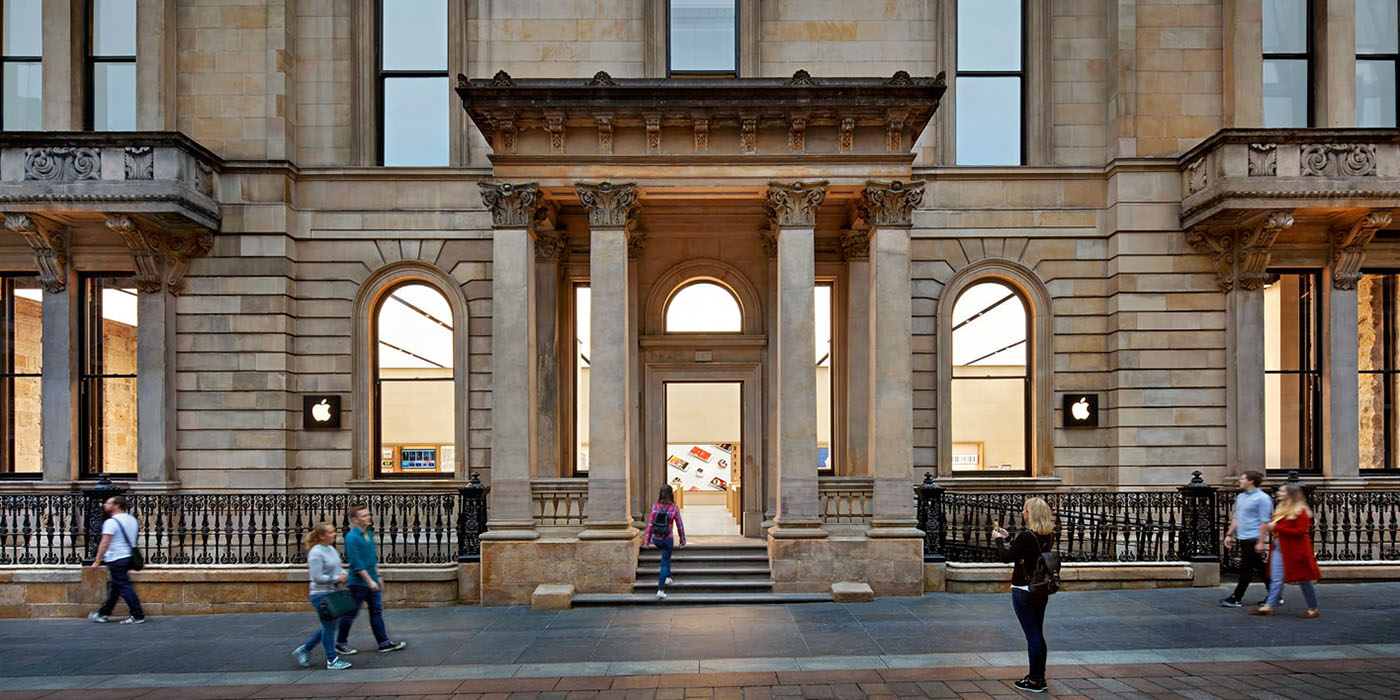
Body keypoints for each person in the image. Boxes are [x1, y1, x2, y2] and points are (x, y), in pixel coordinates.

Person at [992, 497, 1056, 694]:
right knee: (1038, 633)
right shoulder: (1048, 535)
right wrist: (1009, 538)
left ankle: (1035, 680)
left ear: (1031, 514)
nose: (1022, 513)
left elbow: (1006, 558)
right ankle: (1039, 676)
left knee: (1032, 635)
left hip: (1023, 589)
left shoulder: (1027, 536)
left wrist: (998, 540)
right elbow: (1028, 552)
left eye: (1025, 510)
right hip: (1041, 589)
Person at [334, 503, 408, 655]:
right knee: (350, 613)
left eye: (368, 514)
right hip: (358, 583)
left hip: (371, 580)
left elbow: (372, 557)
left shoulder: (368, 533)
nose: (369, 517)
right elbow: (356, 562)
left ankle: (384, 643)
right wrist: (369, 581)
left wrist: (378, 575)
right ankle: (341, 643)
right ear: (355, 520)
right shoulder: (351, 537)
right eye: (364, 516)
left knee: (376, 612)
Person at [1253, 483, 1321, 618]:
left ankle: (1313, 607)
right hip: (1280, 546)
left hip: (1296, 549)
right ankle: (1269, 605)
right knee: (1276, 577)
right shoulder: (1281, 509)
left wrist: (1276, 528)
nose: (1279, 493)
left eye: (1282, 491)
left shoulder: (1300, 511)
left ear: (1290, 494)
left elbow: (1300, 531)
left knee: (1304, 579)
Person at [293, 523, 352, 670]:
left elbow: (338, 567)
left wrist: (345, 574)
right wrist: (337, 578)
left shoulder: (330, 549)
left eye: (334, 532)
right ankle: (332, 659)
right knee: (329, 627)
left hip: (332, 593)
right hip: (321, 595)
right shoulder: (316, 553)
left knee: (329, 626)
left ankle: (305, 649)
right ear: (321, 535)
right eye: (331, 532)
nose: (334, 534)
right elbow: (317, 577)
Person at [88, 495, 146, 625]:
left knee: (124, 586)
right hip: (128, 556)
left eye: (108, 503)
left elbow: (105, 542)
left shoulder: (111, 522)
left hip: (116, 557)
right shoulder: (132, 519)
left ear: (116, 505)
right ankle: (104, 613)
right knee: (116, 586)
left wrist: (97, 560)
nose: (104, 505)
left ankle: (137, 614)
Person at [1220, 471, 1274, 608]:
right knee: (1260, 568)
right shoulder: (1241, 497)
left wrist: (1261, 542)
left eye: (1243, 478)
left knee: (1246, 569)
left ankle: (1236, 597)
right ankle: (1275, 595)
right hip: (1243, 537)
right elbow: (1237, 517)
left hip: (1254, 537)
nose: (1240, 480)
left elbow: (1265, 521)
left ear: (1251, 481)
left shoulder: (1263, 498)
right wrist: (1229, 534)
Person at [644, 484, 686, 600]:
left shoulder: (655, 507)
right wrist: (682, 539)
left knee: (666, 557)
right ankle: (660, 589)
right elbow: (679, 525)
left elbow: (650, 524)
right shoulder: (673, 508)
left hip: (656, 539)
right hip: (667, 538)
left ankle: (668, 577)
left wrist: (647, 540)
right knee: (665, 562)